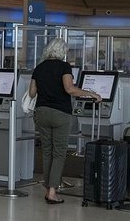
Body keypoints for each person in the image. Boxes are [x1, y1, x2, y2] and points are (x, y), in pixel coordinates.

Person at [28, 38, 101, 204]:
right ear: (62, 52)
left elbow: (32, 93)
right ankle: (52, 192)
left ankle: (48, 188)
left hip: (41, 113)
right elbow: (70, 89)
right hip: (60, 114)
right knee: (59, 153)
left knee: (47, 151)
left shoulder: (39, 67)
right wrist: (91, 94)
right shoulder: (64, 67)